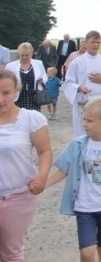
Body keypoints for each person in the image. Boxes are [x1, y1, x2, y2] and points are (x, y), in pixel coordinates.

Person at [47, 97, 101, 262]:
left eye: (89, 121)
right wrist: (43, 184)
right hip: (84, 208)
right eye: (83, 119)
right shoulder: (78, 144)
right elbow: (63, 170)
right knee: (87, 253)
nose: (84, 124)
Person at [0, 69, 53, 262]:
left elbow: (44, 151)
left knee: (11, 253)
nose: (1, 99)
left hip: (18, 196)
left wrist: (42, 175)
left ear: (16, 91)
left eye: (6, 93)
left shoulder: (31, 119)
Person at [63, 31, 101, 138]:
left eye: (98, 42)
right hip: (83, 101)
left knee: (99, 130)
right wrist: (79, 87)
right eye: (93, 42)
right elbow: (68, 82)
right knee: (82, 131)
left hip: (100, 100)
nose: (95, 45)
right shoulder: (76, 63)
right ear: (86, 43)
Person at [6, 42, 47, 112]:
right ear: (19, 54)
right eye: (22, 55)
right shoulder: (10, 66)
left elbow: (44, 76)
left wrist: (42, 80)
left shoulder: (38, 63)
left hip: (34, 97)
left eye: (27, 55)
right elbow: (6, 80)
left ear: (31, 54)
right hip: (19, 97)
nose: (24, 57)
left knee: (34, 119)